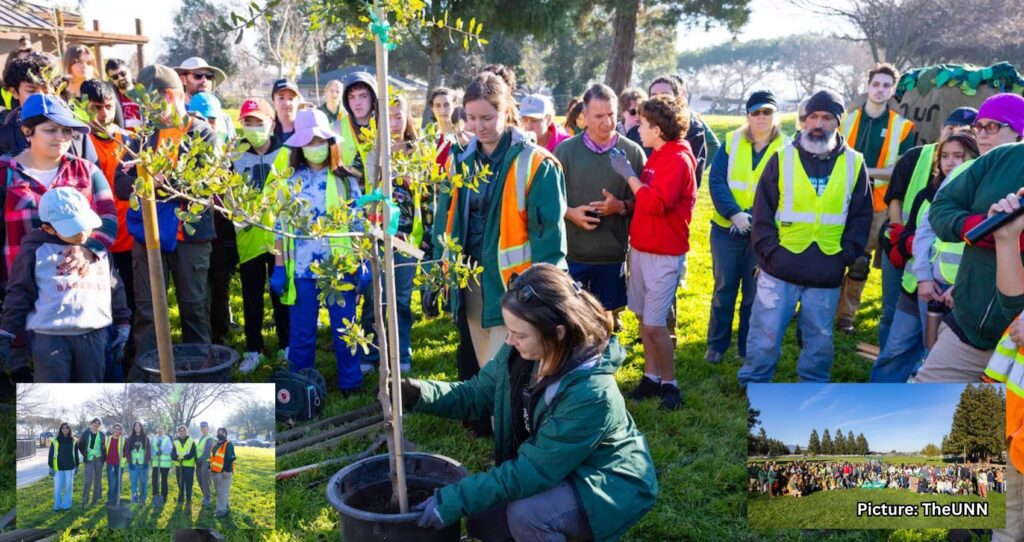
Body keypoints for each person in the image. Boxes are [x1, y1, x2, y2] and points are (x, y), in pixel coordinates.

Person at [405, 263, 657, 541]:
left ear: (558, 333)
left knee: (528, 515)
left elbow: (533, 471)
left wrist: (456, 499)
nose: (509, 340)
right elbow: (475, 394)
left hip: (604, 483)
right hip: (558, 465)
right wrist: (418, 393)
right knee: (482, 522)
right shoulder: (522, 353)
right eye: (510, 330)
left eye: (520, 334)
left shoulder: (592, 394)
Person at [431, 72, 567, 417]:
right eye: (471, 118)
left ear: (507, 112)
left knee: (513, 366)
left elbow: (549, 239)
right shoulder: (458, 161)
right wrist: (438, 271)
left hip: (516, 287)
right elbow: (444, 221)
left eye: (487, 118)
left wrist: (546, 295)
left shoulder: (536, 163)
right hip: (470, 283)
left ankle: (516, 426)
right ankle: (495, 423)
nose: (478, 127)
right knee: (485, 363)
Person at [738, 90, 873, 386]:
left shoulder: (854, 163)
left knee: (820, 337)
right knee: (765, 332)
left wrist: (845, 256)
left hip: (826, 270)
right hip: (779, 268)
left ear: (838, 123)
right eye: (813, 117)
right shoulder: (782, 158)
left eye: (826, 118)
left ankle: (811, 386)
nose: (818, 124)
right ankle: (753, 384)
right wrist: (770, 252)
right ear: (804, 120)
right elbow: (762, 212)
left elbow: (861, 216)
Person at [115, 64, 219, 363]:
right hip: (148, 236)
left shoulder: (202, 134)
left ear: (171, 96)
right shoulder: (141, 136)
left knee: (194, 308)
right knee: (147, 310)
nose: (144, 110)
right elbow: (121, 184)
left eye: (149, 101)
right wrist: (147, 182)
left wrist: (159, 182)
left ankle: (199, 373)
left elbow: (206, 184)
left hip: (190, 237)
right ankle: (148, 373)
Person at [917, 93, 1024, 382]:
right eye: (979, 126)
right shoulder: (1001, 159)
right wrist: (978, 227)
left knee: (991, 413)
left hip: (1017, 347)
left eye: (993, 126)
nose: (983, 134)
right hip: (968, 331)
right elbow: (941, 208)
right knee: (925, 403)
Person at [268, 109, 364, 393]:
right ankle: (301, 385)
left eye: (320, 141)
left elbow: (357, 225)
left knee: (345, 329)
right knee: (302, 332)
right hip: (301, 270)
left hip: (340, 268)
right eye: (308, 142)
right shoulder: (289, 182)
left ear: (330, 143)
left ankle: (351, 383)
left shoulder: (347, 181)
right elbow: (280, 228)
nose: (315, 147)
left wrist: (361, 262)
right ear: (299, 146)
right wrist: (279, 267)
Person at [610, 94, 696, 410]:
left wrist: (628, 174)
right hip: (643, 250)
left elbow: (657, 203)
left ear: (658, 129)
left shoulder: (678, 159)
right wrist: (623, 204)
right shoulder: (659, 154)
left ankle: (670, 384)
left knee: (655, 324)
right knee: (643, 317)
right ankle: (651, 377)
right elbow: (645, 201)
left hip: (664, 255)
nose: (638, 128)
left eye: (643, 123)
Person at [870, 131, 978, 382]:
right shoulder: (927, 195)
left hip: (954, 295)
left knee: (935, 361)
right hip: (916, 288)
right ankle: (877, 398)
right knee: (894, 352)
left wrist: (960, 286)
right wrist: (923, 277)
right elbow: (913, 236)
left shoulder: (980, 200)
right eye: (945, 156)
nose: (950, 162)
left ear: (974, 159)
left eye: (958, 156)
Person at [0, 186, 130, 382]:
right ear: (48, 228)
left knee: (92, 390)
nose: (81, 233)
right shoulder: (35, 252)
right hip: (50, 338)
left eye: (84, 224)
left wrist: (123, 323)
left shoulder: (99, 251)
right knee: (52, 392)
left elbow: (114, 286)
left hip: (93, 335)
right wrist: (7, 331)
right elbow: (19, 291)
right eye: (73, 228)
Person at [836, 63, 918, 339]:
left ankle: (845, 317)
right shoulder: (845, 120)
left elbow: (899, 171)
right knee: (831, 255)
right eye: (876, 84)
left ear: (893, 90)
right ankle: (819, 308)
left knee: (859, 261)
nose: (880, 90)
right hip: (840, 199)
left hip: (877, 203)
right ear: (868, 86)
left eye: (886, 86)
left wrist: (863, 170)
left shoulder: (903, 127)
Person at [705, 90, 786, 364]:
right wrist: (734, 213)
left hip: (763, 235)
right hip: (726, 231)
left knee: (754, 295)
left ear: (775, 115)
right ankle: (716, 345)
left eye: (767, 112)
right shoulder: (732, 141)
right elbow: (717, 181)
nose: (762, 117)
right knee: (723, 289)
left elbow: (787, 191)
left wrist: (753, 217)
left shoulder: (787, 148)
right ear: (748, 115)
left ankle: (745, 348)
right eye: (756, 112)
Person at [557, 83, 644, 325]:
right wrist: (569, 212)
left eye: (611, 114)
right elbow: (547, 198)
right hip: (572, 255)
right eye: (598, 116)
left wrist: (620, 207)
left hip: (611, 256)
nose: (607, 122)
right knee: (572, 321)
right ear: (584, 116)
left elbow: (646, 203)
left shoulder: (633, 153)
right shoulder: (564, 152)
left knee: (606, 321)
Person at [358, 93, 430, 374]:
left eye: (399, 116)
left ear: (407, 117)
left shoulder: (418, 153)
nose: (394, 122)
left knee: (400, 298)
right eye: (388, 117)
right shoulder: (371, 153)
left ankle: (400, 352)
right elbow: (360, 194)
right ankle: (371, 352)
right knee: (373, 295)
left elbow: (428, 199)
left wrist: (425, 238)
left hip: (407, 240)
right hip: (375, 237)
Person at [232, 98, 289, 371]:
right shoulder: (235, 156)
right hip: (249, 237)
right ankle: (254, 349)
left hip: (279, 236)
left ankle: (286, 345)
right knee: (251, 294)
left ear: (272, 124)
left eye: (259, 122)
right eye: (248, 123)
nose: (254, 128)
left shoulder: (286, 153)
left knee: (282, 293)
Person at [643, 75, 720, 184]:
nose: (659, 99)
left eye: (665, 94)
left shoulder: (693, 126)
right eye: (653, 95)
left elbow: (713, 146)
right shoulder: (640, 126)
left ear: (676, 97)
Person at [0, 51, 59, 158]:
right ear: (14, 92)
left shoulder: (74, 127)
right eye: (31, 91)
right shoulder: (4, 132)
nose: (40, 97)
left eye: (46, 90)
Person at [173, 57, 235, 142]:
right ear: (183, 80)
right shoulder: (174, 115)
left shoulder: (224, 118)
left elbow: (232, 148)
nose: (204, 81)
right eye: (197, 76)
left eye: (209, 76)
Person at [338, 71, 378, 176]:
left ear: (373, 97)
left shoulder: (386, 127)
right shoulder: (336, 129)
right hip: (349, 186)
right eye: (351, 97)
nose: (357, 103)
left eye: (363, 96)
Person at [48, 422, 79, 511]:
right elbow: (51, 454)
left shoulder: (74, 440)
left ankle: (66, 505)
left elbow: (76, 454)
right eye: (63, 428)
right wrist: (50, 466)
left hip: (70, 467)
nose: (65, 429)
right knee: (58, 488)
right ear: (60, 430)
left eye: (66, 428)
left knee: (68, 487)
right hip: (58, 468)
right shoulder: (55, 440)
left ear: (69, 429)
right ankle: (57, 506)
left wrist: (77, 465)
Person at [104, 59, 142, 131]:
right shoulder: (109, 99)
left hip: (146, 136)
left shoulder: (145, 92)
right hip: (121, 137)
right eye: (115, 77)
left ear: (129, 71)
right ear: (111, 79)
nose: (120, 78)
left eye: (123, 73)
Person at [76, 418, 105, 507]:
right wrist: (85, 454)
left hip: (99, 459)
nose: (96, 425)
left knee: (98, 480)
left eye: (98, 423)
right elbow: (80, 445)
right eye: (95, 423)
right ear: (91, 423)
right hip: (89, 460)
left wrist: (103, 458)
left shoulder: (101, 434)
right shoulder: (86, 433)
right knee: (88, 480)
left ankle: (95, 500)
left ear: (99, 425)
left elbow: (104, 446)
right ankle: (84, 501)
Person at [209, 426, 236, 518]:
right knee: (219, 491)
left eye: (223, 432)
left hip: (224, 473)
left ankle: (221, 511)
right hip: (215, 472)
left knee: (222, 492)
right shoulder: (215, 445)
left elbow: (230, 459)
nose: (220, 434)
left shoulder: (228, 444)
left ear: (226, 435)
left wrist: (226, 471)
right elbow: (212, 458)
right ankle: (225, 505)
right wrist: (210, 468)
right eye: (219, 432)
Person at [171, 425, 196, 506]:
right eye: (180, 431)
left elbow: (192, 452)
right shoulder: (175, 442)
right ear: (178, 432)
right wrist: (176, 458)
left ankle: (189, 499)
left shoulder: (191, 441)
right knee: (180, 482)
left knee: (189, 483)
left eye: (184, 430)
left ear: (186, 432)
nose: (182, 432)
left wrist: (184, 458)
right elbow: (173, 453)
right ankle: (181, 498)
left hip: (189, 466)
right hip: (179, 466)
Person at [125, 421, 150, 504]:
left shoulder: (145, 438)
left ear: (141, 427)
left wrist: (146, 462)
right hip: (133, 465)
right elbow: (127, 451)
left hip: (143, 465)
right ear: (134, 428)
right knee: (134, 483)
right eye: (135, 426)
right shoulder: (130, 438)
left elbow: (148, 451)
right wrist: (130, 462)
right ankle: (135, 499)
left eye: (139, 426)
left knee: (143, 483)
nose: (137, 427)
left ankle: (143, 499)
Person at [271, 78, 301, 143]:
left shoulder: (305, 127)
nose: (286, 103)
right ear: (273, 101)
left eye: (291, 98)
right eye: (281, 98)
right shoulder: (268, 129)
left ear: (298, 101)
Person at [104, 422, 127, 505]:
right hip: (110, 464)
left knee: (118, 483)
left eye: (119, 429)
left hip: (120, 465)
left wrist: (123, 457)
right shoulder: (107, 439)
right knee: (112, 483)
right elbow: (103, 450)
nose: (117, 431)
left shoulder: (123, 439)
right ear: (113, 429)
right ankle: (110, 500)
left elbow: (126, 452)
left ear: (121, 431)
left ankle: (117, 500)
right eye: (116, 429)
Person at [150, 425, 172, 505]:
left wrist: (161, 450)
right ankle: (155, 494)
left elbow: (169, 449)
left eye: (162, 428)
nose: (160, 429)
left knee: (164, 481)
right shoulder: (153, 439)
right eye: (158, 428)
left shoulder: (167, 439)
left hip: (165, 464)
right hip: (156, 464)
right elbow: (151, 449)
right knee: (155, 480)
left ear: (164, 430)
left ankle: (164, 496)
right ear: (156, 429)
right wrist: (156, 453)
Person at [195, 421, 214, 508]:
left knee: (205, 480)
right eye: (201, 427)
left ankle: (208, 498)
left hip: (205, 462)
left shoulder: (209, 438)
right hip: (199, 462)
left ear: (207, 428)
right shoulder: (201, 437)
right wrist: (197, 459)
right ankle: (205, 495)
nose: (203, 428)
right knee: (200, 479)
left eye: (204, 427)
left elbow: (207, 452)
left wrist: (200, 460)